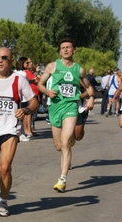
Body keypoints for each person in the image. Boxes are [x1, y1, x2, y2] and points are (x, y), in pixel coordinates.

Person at [0, 47, 39, 217]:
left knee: (3, 167)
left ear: (11, 61)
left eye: (4, 58)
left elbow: (34, 101)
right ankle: (5, 170)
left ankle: (3, 201)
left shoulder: (19, 80)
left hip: (10, 129)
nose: (0, 60)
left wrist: (25, 111)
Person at [37, 37, 94, 193]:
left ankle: (62, 179)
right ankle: (70, 142)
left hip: (70, 106)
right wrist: (47, 91)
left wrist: (91, 98)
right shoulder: (52, 66)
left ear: (74, 50)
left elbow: (89, 88)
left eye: (69, 47)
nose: (66, 50)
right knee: (58, 146)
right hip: (55, 107)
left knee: (64, 142)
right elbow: (39, 84)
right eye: (63, 47)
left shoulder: (79, 69)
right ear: (60, 50)